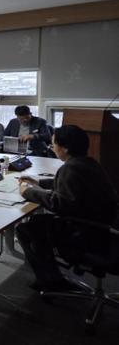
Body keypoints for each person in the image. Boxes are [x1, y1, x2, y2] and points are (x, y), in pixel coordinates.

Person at [16, 125, 118, 292]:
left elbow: (59, 204)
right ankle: (51, 276)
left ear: (65, 148)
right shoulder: (89, 163)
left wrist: (27, 192)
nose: (52, 147)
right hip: (105, 228)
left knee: (26, 229)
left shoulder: (70, 168)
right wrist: (39, 182)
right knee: (36, 222)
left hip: (87, 234)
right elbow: (71, 185)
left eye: (54, 144)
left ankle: (51, 281)